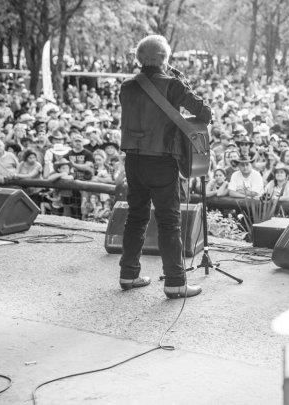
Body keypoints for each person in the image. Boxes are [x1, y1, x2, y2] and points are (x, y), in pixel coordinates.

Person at [118, 35, 211, 299]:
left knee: (136, 217)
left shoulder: (127, 86)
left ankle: (129, 274)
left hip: (134, 160)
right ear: (163, 59)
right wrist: (182, 83)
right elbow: (205, 113)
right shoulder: (172, 85)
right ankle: (175, 282)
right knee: (169, 221)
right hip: (162, 160)